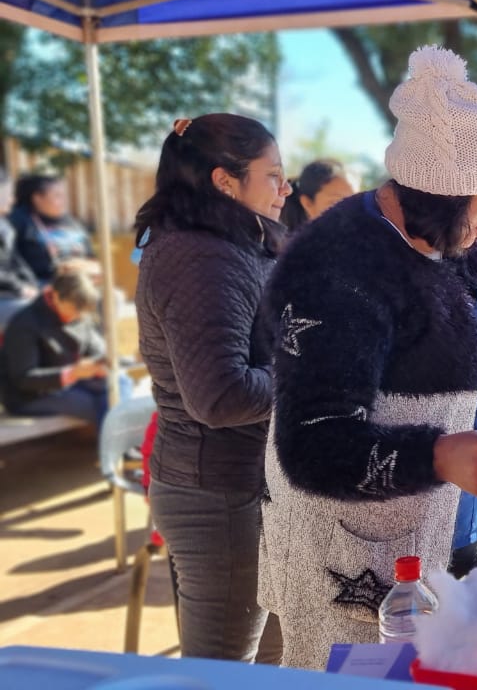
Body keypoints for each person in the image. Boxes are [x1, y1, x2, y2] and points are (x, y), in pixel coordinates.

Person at [259, 46, 477, 669]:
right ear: (440, 191)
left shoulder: (454, 241)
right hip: (360, 561)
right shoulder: (334, 269)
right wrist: (437, 453)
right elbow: (312, 444)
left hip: (453, 532)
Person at [134, 113, 291, 664]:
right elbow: (219, 397)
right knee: (221, 672)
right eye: (273, 175)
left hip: (245, 484)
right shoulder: (200, 256)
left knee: (269, 664)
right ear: (225, 181)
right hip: (217, 493)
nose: (285, 188)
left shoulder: (232, 244)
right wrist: (311, 383)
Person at [0, 268, 120, 427]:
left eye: (82, 312)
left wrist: (100, 364)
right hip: (31, 396)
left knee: (119, 384)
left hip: (72, 383)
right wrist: (72, 373)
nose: (78, 316)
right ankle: (115, 448)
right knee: (100, 403)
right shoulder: (25, 324)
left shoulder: (79, 312)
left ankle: (123, 444)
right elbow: (23, 378)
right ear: (56, 297)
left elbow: (96, 349)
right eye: (74, 310)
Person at [10, 174, 94, 283]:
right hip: (39, 285)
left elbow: (90, 256)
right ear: (37, 198)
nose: (64, 201)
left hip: (80, 282)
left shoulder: (72, 223)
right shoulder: (18, 222)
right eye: (57, 196)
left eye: (64, 195)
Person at [0, 168, 39, 326]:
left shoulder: (5, 226)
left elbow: (16, 263)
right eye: (7, 194)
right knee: (32, 312)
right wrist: (19, 289)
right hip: (6, 295)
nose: (12, 200)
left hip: (9, 292)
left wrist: (31, 285)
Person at [278, 159, 356, 232]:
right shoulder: (288, 245)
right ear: (307, 203)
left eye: (353, 203)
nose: (347, 211)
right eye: (336, 202)